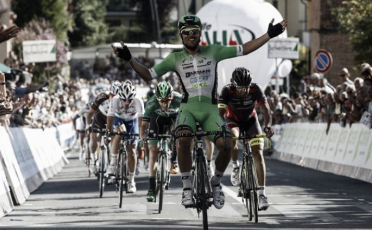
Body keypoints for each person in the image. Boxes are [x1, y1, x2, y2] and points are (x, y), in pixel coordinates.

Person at [111, 14, 287, 209]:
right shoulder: (175, 58)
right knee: (183, 139)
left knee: (228, 143)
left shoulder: (214, 51)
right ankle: (187, 187)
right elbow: (149, 74)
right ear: (181, 35)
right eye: (186, 33)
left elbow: (244, 49)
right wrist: (130, 59)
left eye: (194, 32)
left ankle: (216, 182)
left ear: (200, 33)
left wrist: (268, 35)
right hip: (189, 109)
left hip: (211, 110)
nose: (191, 35)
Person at [218, 67, 274, 210]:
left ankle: (262, 195)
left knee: (258, 154)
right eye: (240, 88)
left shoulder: (256, 89)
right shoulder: (227, 90)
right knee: (234, 138)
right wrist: (222, 129)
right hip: (233, 121)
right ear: (234, 85)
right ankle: (236, 166)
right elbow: (220, 114)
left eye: (246, 88)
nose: (243, 91)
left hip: (251, 121)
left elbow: (266, 110)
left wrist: (268, 127)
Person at [139, 81, 182, 202]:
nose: (164, 104)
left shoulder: (179, 99)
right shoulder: (151, 102)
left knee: (178, 134)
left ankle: (173, 160)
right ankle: (152, 188)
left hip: (173, 119)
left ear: (172, 97)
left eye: (166, 101)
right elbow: (144, 125)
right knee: (153, 150)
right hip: (157, 121)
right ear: (157, 98)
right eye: (161, 101)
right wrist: (142, 139)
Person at [107, 80, 144, 193]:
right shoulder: (114, 100)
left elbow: (141, 121)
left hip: (132, 121)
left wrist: (141, 136)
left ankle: (131, 180)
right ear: (120, 97)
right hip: (119, 119)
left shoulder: (138, 100)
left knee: (132, 150)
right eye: (124, 100)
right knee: (119, 133)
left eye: (129, 100)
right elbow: (110, 117)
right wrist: (109, 132)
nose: (126, 102)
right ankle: (113, 164)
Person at [85, 81, 121, 174]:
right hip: (100, 117)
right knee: (93, 137)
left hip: (113, 118)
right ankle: (93, 159)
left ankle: (112, 160)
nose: (114, 98)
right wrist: (87, 126)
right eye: (113, 96)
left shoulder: (122, 100)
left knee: (115, 137)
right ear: (109, 94)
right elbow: (89, 113)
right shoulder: (102, 96)